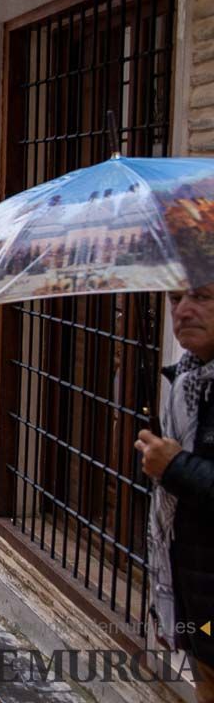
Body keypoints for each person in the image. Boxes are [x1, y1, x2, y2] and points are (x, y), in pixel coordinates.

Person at [137, 284, 214, 702]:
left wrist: (175, 467)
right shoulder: (188, 381)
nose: (182, 310)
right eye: (173, 299)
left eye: (201, 296)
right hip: (198, 607)